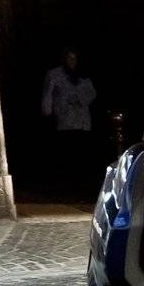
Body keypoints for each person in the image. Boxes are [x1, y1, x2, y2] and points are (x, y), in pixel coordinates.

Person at [41, 48, 97, 195]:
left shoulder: (83, 76)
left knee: (80, 156)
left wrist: (79, 98)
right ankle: (67, 188)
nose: (71, 62)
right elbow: (48, 95)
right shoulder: (54, 75)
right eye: (69, 58)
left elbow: (91, 94)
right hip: (65, 121)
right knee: (67, 156)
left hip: (82, 121)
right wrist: (48, 111)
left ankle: (81, 187)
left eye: (74, 59)